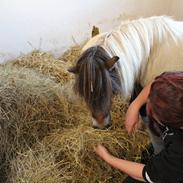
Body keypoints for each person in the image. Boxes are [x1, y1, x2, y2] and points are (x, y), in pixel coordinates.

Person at [94, 72, 183, 183]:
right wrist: (135, 105)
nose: (149, 103)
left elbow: (146, 174)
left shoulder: (178, 153)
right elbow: (157, 84)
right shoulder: (179, 83)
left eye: (155, 111)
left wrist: (108, 158)